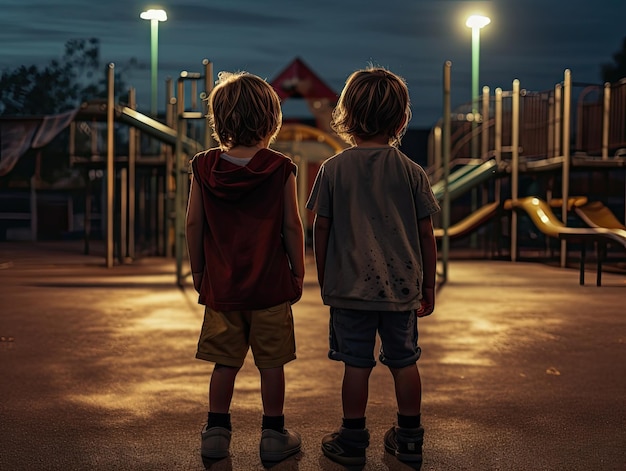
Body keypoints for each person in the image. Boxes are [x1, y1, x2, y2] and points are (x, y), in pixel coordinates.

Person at [306, 66, 440, 469]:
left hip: (349, 288)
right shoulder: (412, 172)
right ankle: (410, 437)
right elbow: (426, 236)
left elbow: (321, 227)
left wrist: (325, 276)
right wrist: (428, 287)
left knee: (356, 364)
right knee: (405, 362)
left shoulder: (333, 169)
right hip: (401, 289)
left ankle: (351, 438)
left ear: (344, 117)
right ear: (401, 120)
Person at [185, 71, 305, 464]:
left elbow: (193, 224)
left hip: (222, 289)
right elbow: (292, 224)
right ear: (271, 120)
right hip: (270, 287)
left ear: (219, 121)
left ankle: (216, 433)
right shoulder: (279, 167)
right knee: (271, 365)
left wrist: (199, 272)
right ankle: (273, 434)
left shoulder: (204, 167)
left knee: (225, 363)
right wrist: (298, 271)